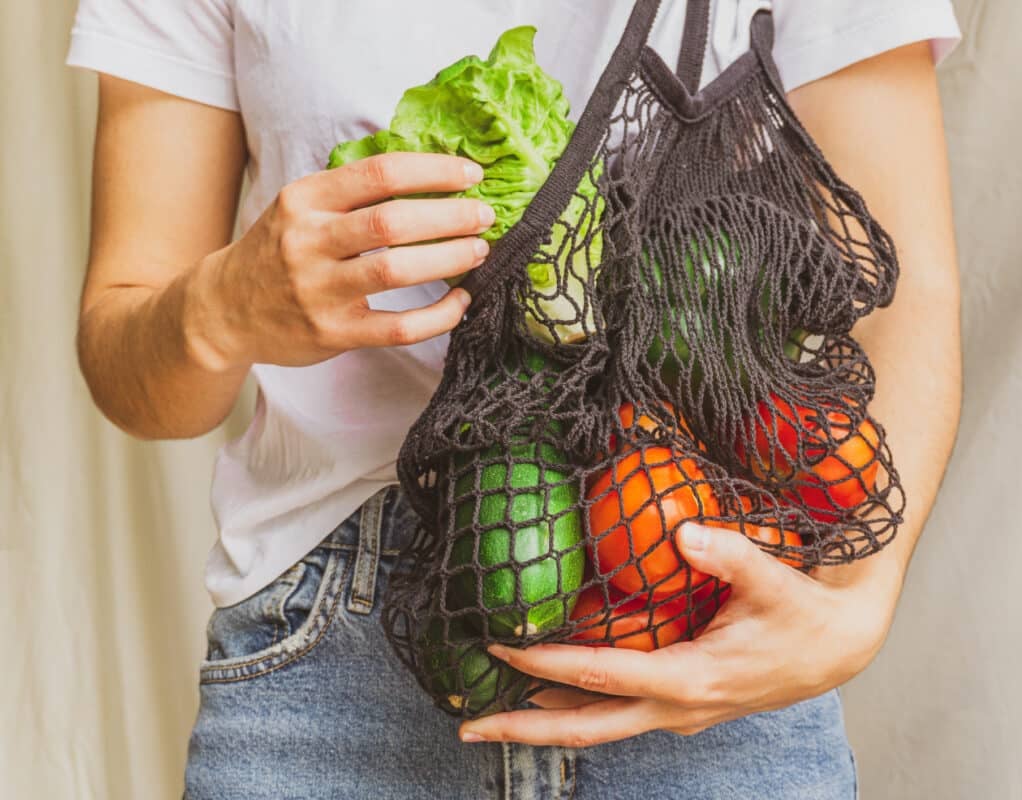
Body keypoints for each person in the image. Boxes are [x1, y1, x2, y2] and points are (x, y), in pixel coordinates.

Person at [68, 1, 963, 797]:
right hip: (328, 655)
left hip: (698, 600)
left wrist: (856, 605)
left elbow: (903, 287)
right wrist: (219, 310)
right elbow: (134, 371)